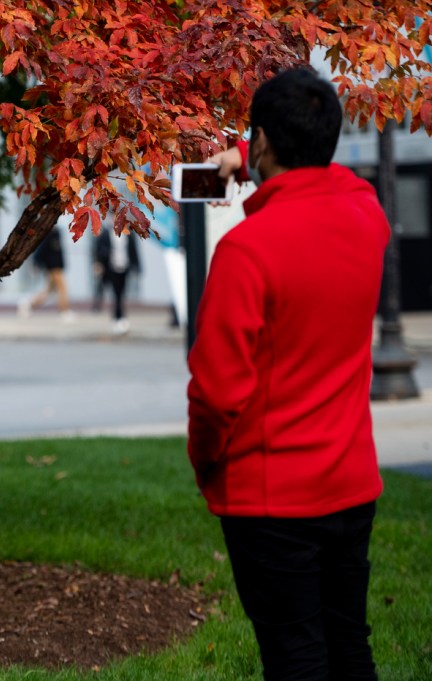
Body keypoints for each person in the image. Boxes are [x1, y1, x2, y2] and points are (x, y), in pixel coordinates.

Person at [187, 67, 387, 681]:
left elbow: (216, 393)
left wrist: (206, 464)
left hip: (272, 500)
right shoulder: (367, 215)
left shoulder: (248, 250)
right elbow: (335, 176)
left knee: (296, 656)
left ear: (265, 142)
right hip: (351, 484)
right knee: (349, 645)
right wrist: (252, 151)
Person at [18, 226, 75, 321]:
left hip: (57, 266)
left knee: (48, 291)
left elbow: (59, 252)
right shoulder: (46, 233)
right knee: (63, 287)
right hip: (52, 267)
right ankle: (65, 311)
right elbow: (40, 250)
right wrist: (36, 264)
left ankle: (28, 304)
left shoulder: (57, 232)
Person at [93, 222, 139, 334]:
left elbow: (133, 251)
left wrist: (136, 266)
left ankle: (119, 317)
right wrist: (98, 264)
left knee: (121, 292)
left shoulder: (128, 234)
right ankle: (118, 317)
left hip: (124, 266)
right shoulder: (105, 233)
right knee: (116, 293)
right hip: (111, 267)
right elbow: (98, 250)